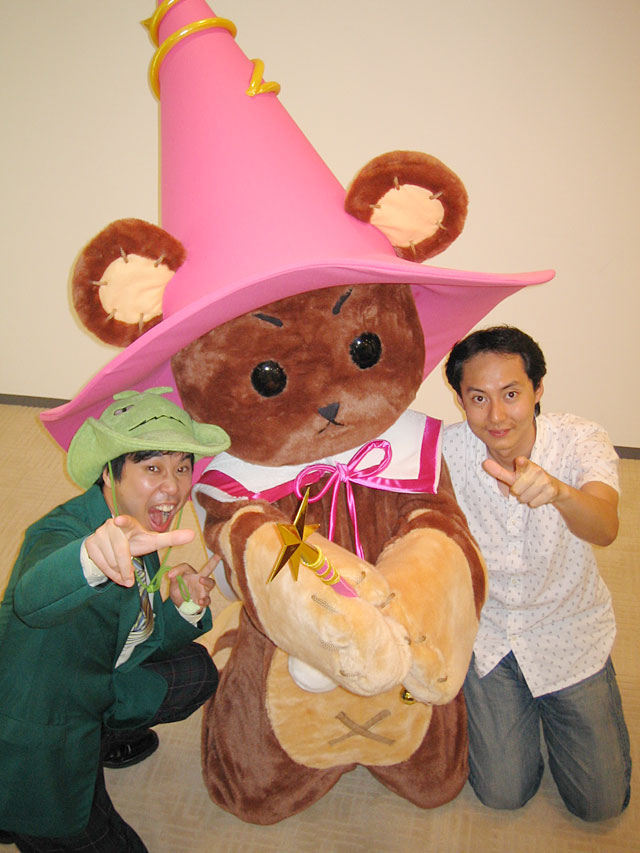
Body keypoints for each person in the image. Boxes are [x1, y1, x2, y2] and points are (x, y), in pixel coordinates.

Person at [0, 387, 230, 851]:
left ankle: (102, 740)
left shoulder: (138, 528)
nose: (173, 487)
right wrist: (89, 559)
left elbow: (136, 634)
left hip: (95, 682)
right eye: (152, 468)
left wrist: (185, 605)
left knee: (198, 672)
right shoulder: (65, 534)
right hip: (40, 732)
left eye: (181, 467)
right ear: (109, 472)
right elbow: (33, 598)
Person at [443, 326, 631, 822]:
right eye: (478, 398)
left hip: (568, 629)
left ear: (538, 389)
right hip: (488, 635)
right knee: (503, 793)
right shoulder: (445, 451)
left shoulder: (579, 439)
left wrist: (561, 493)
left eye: (511, 394)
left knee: (600, 805)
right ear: (459, 399)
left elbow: (605, 528)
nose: (496, 416)